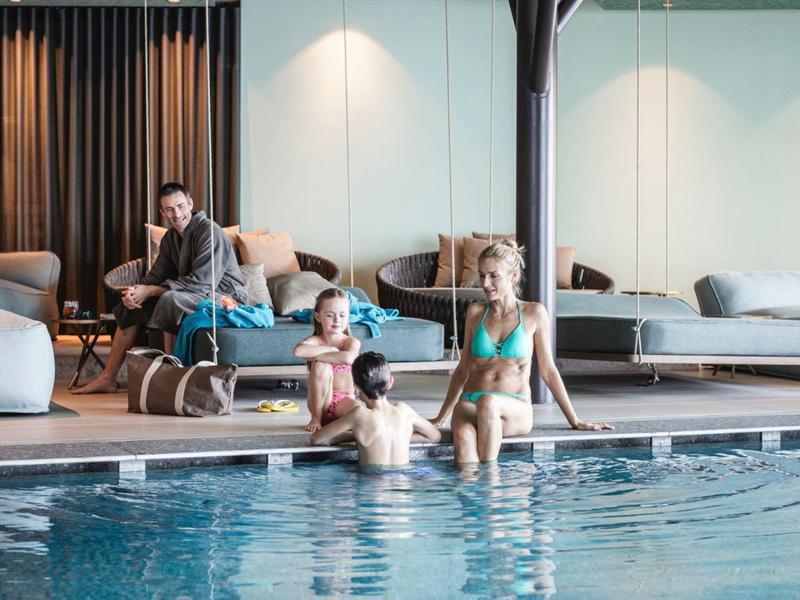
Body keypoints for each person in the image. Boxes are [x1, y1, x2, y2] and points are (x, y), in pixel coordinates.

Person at [431, 240, 613, 463]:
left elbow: (548, 371)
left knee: (488, 402)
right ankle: (472, 493)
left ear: (513, 276)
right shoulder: (475, 312)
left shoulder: (534, 313)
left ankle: (491, 483)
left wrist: (574, 420)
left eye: (493, 275)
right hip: (470, 403)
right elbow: (462, 370)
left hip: (514, 407)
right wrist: (440, 418)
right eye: (481, 275)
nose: (485, 283)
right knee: (465, 462)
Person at [73, 182, 247, 394]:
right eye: (169, 209)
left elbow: (202, 283)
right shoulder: (171, 238)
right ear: (162, 212)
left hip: (225, 298)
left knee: (170, 299)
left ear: (190, 204)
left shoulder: (209, 232)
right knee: (132, 305)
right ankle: (108, 378)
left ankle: (173, 378)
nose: (177, 214)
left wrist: (152, 291)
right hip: (192, 294)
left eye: (181, 206)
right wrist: (136, 292)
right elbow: (156, 276)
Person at [310, 351, 442, 466]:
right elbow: (435, 436)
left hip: (372, 487)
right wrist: (402, 436)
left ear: (356, 389)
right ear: (390, 382)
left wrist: (352, 436)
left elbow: (316, 439)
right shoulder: (405, 411)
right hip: (403, 488)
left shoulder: (358, 415)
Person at [293, 288, 362, 432]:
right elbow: (298, 351)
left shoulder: (350, 342)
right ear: (318, 317)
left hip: (344, 400)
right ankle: (316, 418)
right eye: (330, 315)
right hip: (319, 403)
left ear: (348, 316)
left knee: (360, 411)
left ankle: (339, 425)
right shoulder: (316, 341)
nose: (337, 320)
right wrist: (331, 351)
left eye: (342, 315)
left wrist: (315, 355)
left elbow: (348, 358)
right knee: (321, 367)